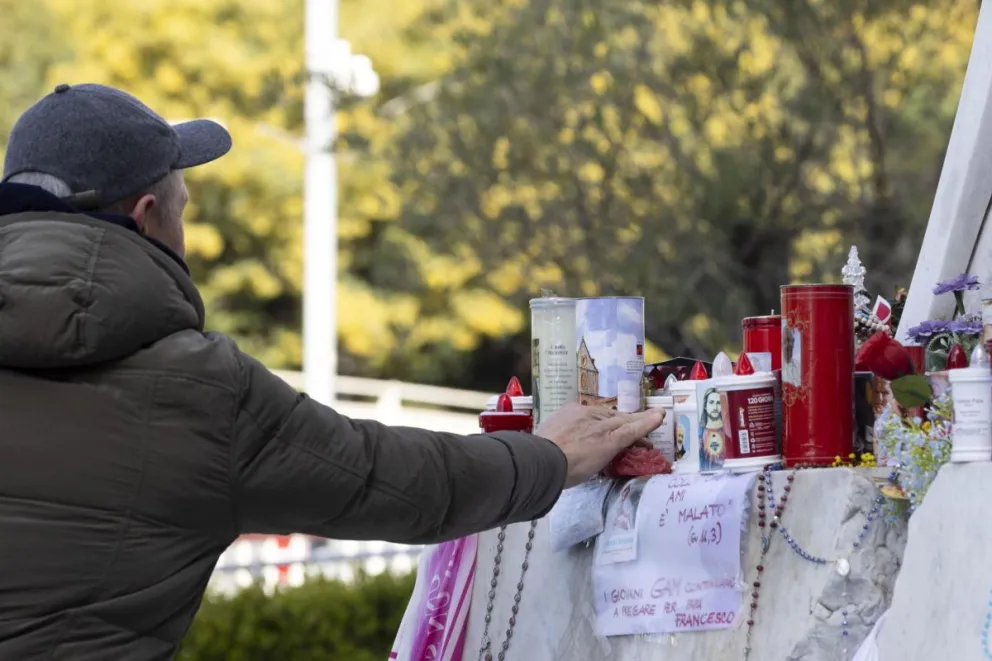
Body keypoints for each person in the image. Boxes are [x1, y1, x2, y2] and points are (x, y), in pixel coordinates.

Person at [0, 84, 664, 660]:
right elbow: (399, 480)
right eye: (182, 211)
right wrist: (550, 456)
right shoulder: (198, 394)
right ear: (146, 218)